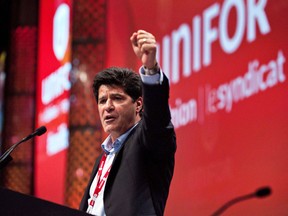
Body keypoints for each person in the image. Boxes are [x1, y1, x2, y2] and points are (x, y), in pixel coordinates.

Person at [79, 30, 176, 216]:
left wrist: (150, 69)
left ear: (138, 104)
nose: (108, 107)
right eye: (102, 100)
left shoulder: (147, 141)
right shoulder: (104, 158)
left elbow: (157, 118)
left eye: (117, 98)